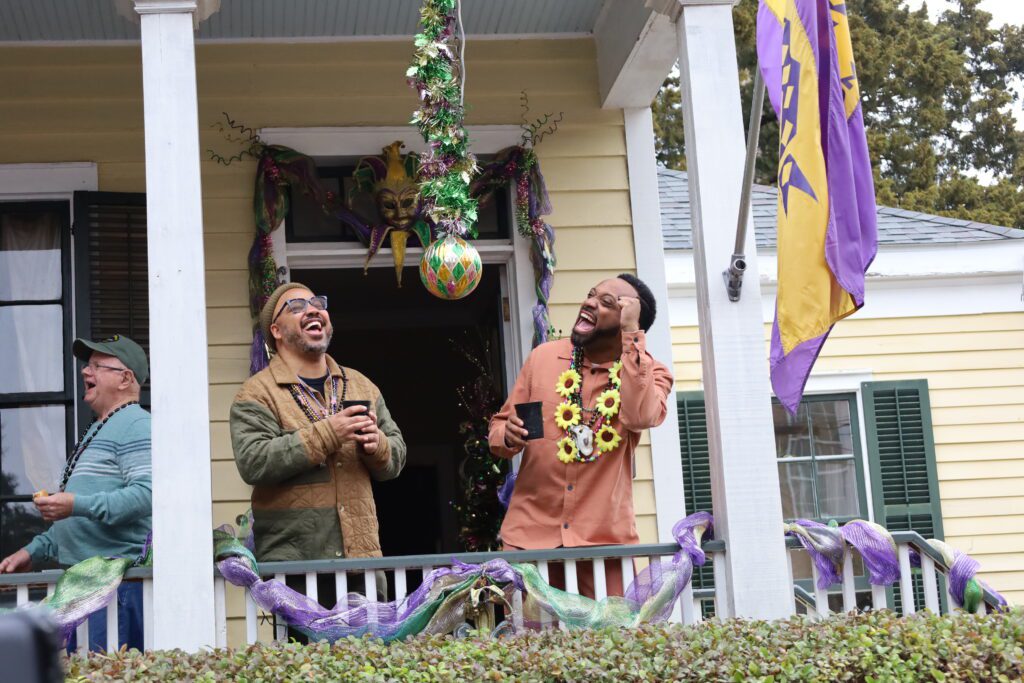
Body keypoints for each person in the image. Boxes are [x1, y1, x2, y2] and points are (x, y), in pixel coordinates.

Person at [489, 274, 673, 599]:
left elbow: (640, 415)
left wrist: (632, 337)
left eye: (607, 303)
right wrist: (508, 436)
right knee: (527, 647)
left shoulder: (651, 373)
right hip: (530, 538)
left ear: (629, 322)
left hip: (604, 545)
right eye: (591, 295)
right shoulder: (543, 359)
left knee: (610, 644)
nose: (589, 303)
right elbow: (499, 430)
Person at [229, 282, 406, 618]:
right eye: (296, 306)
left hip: (362, 564)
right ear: (276, 331)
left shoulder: (362, 385)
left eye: (317, 303)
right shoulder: (256, 394)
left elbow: (395, 458)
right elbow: (254, 462)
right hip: (297, 570)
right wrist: (329, 432)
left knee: (368, 668)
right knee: (305, 670)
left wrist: (377, 445)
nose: (312, 309)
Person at [0, 335, 152, 652]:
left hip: (116, 588)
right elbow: (79, 521)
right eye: (87, 364)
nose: (85, 371)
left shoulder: (137, 424)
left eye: (97, 365)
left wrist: (75, 504)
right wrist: (33, 550)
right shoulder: (100, 428)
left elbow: (146, 495)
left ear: (125, 379)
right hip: (85, 588)